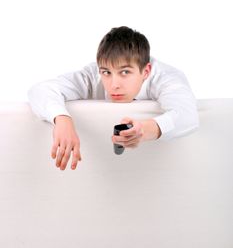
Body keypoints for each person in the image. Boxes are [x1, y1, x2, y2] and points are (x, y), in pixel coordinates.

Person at [27, 26, 199, 171]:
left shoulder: (166, 78)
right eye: (106, 73)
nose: (114, 85)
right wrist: (62, 119)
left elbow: (187, 115)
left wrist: (145, 130)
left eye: (125, 72)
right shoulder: (92, 75)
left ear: (146, 71)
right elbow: (40, 90)